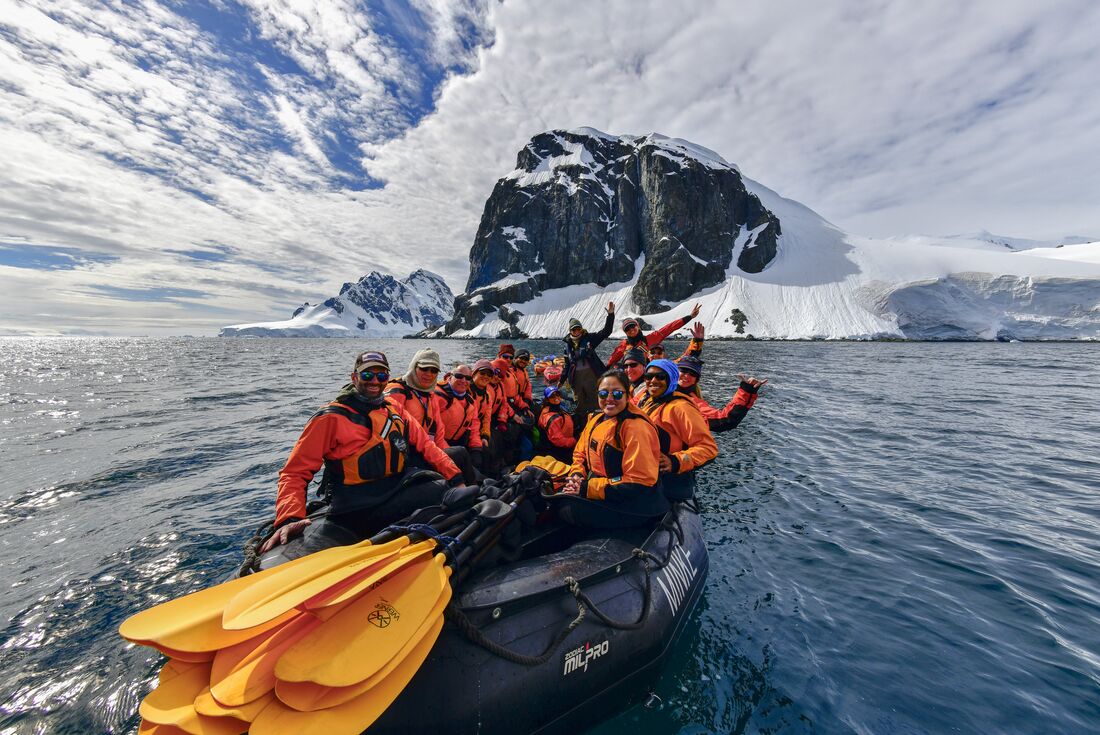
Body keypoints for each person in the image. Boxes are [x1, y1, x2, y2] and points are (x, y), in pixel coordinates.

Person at [262, 350, 462, 554]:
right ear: (354, 377)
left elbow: (427, 446)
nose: (375, 381)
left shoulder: (393, 408)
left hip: (392, 490)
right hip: (354, 505)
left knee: (446, 489)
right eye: (367, 375)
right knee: (442, 494)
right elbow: (294, 472)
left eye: (381, 376)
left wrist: (455, 476)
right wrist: (290, 517)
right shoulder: (330, 418)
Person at [552, 370, 667, 528]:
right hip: (608, 490)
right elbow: (580, 454)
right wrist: (577, 475)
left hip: (635, 503)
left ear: (627, 395)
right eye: (603, 394)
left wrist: (586, 488)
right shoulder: (596, 419)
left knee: (566, 509)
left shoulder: (636, 428)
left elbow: (639, 482)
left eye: (617, 394)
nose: (609, 399)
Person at [637, 359, 718, 501]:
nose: (653, 381)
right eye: (648, 377)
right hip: (647, 477)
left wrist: (674, 461)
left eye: (661, 376)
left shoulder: (680, 408)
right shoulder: (648, 401)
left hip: (667, 485)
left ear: (672, 378)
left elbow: (708, 449)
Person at [676, 355, 767, 433]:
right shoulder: (662, 387)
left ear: (696, 380)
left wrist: (747, 391)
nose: (687, 376)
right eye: (683, 370)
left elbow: (726, 420)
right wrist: (697, 340)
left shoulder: (692, 402)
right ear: (674, 372)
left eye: (693, 374)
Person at [562, 302, 616, 419]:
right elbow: (567, 365)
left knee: (595, 402)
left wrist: (610, 315)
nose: (576, 331)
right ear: (570, 331)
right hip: (576, 379)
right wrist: (561, 380)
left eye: (578, 329)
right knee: (579, 405)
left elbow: (606, 331)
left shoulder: (590, 339)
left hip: (592, 376)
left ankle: (597, 424)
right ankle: (581, 427)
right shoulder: (567, 346)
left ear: (581, 329)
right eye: (574, 329)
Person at [384, 349, 447, 448]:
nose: (429, 374)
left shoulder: (431, 396)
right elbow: (388, 432)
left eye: (434, 370)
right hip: (402, 451)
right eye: (424, 368)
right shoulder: (397, 391)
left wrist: (445, 458)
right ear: (414, 367)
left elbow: (439, 435)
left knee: (458, 454)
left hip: (425, 448)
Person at [606, 303, 702, 367]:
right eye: (627, 329)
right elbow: (612, 361)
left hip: (648, 373)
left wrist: (689, 317)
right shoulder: (623, 345)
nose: (631, 330)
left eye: (633, 326)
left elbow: (670, 328)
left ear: (638, 326)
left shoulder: (651, 339)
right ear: (625, 332)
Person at [434, 364, 486, 474]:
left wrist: (476, 449)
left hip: (457, 443)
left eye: (468, 378)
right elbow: (431, 430)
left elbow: (474, 428)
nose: (463, 380)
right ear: (449, 377)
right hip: (437, 446)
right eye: (459, 376)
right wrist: (451, 454)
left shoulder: (470, 402)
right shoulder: (437, 396)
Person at [536, 385, 575, 463]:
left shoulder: (550, 408)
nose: (556, 397)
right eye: (552, 396)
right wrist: (575, 440)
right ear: (547, 399)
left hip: (563, 442)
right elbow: (558, 441)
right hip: (558, 452)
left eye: (557, 394)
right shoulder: (552, 419)